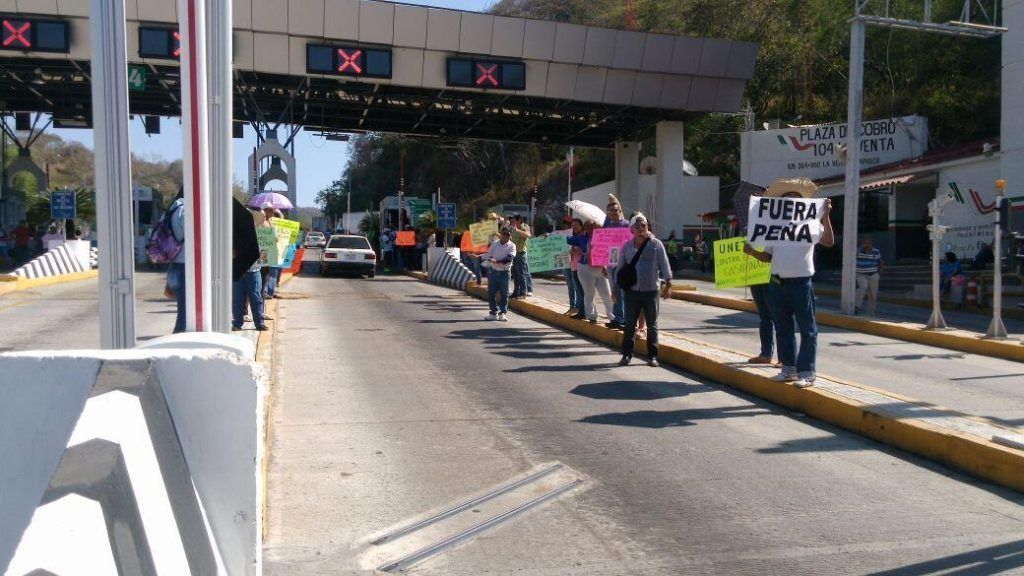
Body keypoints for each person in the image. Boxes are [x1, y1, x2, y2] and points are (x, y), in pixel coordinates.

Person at [743, 177, 835, 388]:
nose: (791, 202)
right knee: (783, 327)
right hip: (777, 283)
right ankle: (789, 370)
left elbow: (829, 242)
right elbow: (768, 257)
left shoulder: (811, 224)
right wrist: (753, 252)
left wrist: (826, 216)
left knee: (807, 329)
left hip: (801, 283)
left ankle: (807, 372)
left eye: (795, 199)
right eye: (786, 200)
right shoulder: (773, 227)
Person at [613, 213, 673, 367]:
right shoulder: (626, 247)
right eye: (637, 226)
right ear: (631, 229)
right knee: (629, 324)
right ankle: (627, 355)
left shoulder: (656, 244)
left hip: (651, 291)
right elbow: (619, 267)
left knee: (652, 325)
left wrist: (668, 283)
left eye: (644, 225)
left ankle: (652, 356)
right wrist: (615, 287)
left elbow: (664, 264)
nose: (641, 228)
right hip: (632, 291)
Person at [573, 220, 616, 324]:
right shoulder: (581, 238)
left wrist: (606, 266)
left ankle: (613, 316)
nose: (590, 228)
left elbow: (609, 251)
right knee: (590, 293)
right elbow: (566, 239)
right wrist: (548, 235)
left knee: (606, 293)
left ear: (597, 226)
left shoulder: (603, 237)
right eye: (587, 226)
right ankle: (592, 316)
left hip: (601, 268)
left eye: (592, 226)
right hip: (585, 268)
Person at [604, 195, 630, 329]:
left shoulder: (627, 225)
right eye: (611, 211)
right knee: (614, 291)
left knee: (623, 291)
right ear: (608, 213)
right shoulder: (607, 227)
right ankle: (617, 318)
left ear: (620, 211)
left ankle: (625, 319)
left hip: (624, 262)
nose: (614, 212)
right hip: (610, 263)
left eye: (616, 210)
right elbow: (602, 247)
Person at [165, 195, 188, 333]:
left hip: (174, 264)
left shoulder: (172, 210)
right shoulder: (184, 211)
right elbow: (192, 235)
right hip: (184, 264)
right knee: (185, 310)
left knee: (183, 307)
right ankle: (178, 337)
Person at [485, 227, 516, 322]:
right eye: (504, 234)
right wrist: (478, 257)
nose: (505, 236)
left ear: (510, 236)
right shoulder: (494, 244)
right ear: (501, 234)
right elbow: (487, 255)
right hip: (494, 271)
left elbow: (509, 258)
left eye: (508, 234)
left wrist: (496, 261)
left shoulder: (512, 246)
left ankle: (502, 312)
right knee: (491, 292)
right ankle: (493, 313)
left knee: (504, 293)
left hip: (505, 272)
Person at [855, 238, 884, 316]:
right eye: (865, 243)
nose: (867, 245)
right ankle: (856, 306)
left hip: (873, 274)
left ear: (871, 244)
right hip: (861, 274)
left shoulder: (876, 251)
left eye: (869, 243)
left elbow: (881, 263)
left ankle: (871, 312)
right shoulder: (859, 251)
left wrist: (878, 274)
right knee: (863, 287)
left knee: (873, 294)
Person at [509, 214, 532, 298]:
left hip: (521, 253)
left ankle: (523, 292)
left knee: (521, 274)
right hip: (514, 254)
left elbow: (528, 235)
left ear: (519, 220)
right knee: (515, 274)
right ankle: (516, 291)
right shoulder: (513, 229)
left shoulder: (524, 227)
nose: (512, 222)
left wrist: (517, 230)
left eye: (514, 220)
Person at [565, 218, 585, 315]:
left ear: (581, 226)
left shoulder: (584, 237)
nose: (574, 227)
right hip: (571, 265)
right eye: (572, 225)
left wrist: (576, 251)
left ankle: (582, 310)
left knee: (581, 290)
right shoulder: (570, 237)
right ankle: (576, 308)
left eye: (576, 225)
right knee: (575, 288)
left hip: (581, 266)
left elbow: (586, 250)